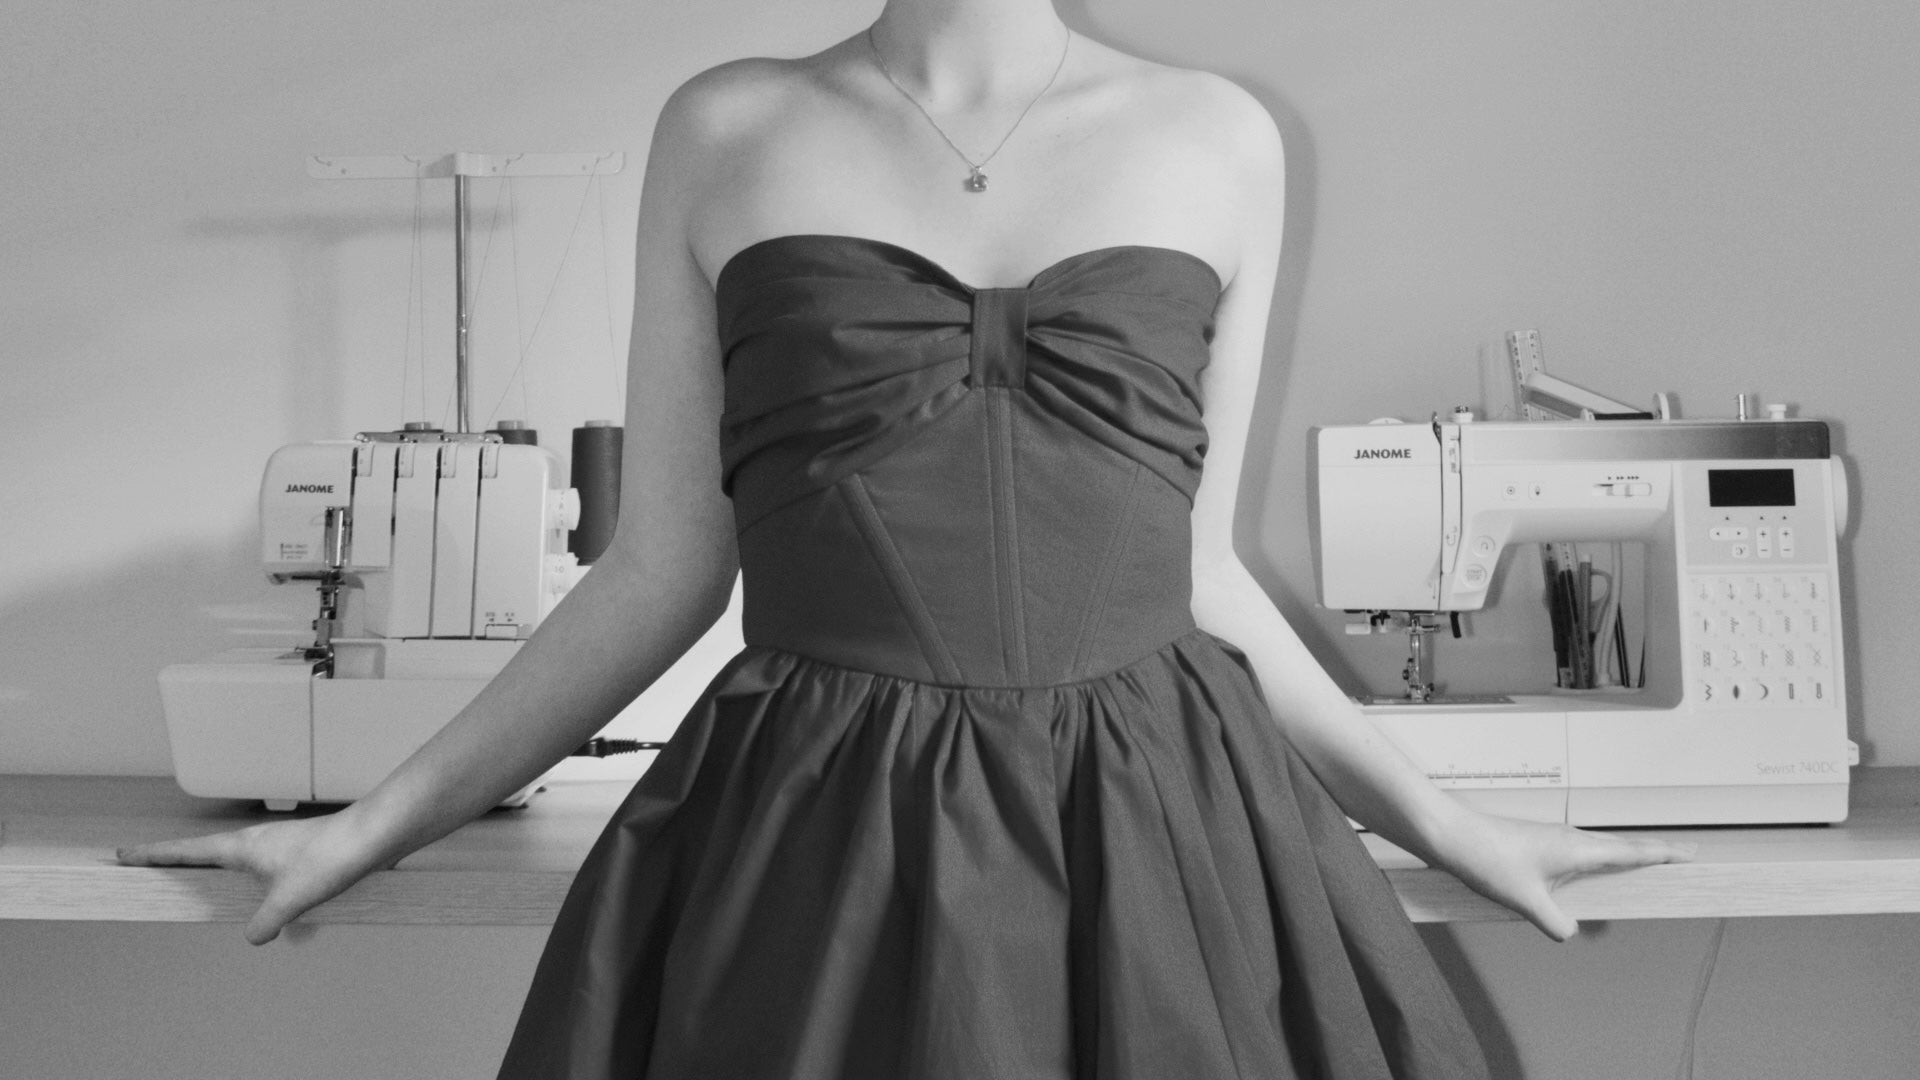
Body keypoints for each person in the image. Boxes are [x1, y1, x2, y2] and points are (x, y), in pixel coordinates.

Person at [120, 1, 1694, 1075]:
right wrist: (364, 825)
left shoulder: (1222, 135)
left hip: (1154, 828)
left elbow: (1199, 573)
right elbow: (665, 562)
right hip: (822, 834)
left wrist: (1457, 830)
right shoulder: (726, 123)